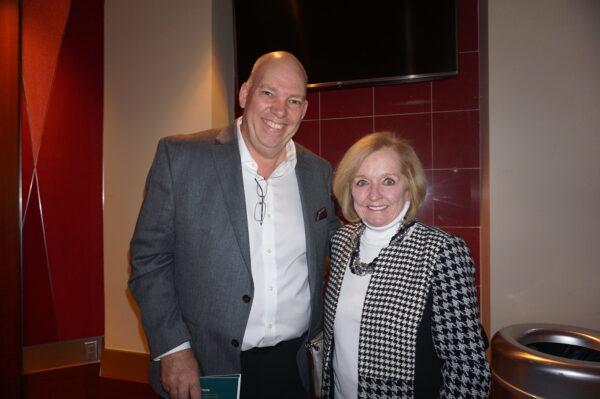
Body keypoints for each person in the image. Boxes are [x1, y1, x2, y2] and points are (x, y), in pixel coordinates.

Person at [129, 51, 339, 399]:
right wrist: (172, 349)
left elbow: (334, 243)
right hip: (207, 367)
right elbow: (148, 261)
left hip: (294, 367)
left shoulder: (317, 172)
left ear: (303, 110)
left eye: (293, 100)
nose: (279, 111)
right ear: (245, 94)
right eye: (268, 93)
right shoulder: (181, 157)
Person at [321, 132, 491, 398]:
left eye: (388, 181)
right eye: (362, 182)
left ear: (409, 185)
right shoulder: (342, 241)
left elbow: (467, 366)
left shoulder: (441, 252)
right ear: (349, 188)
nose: (373, 194)